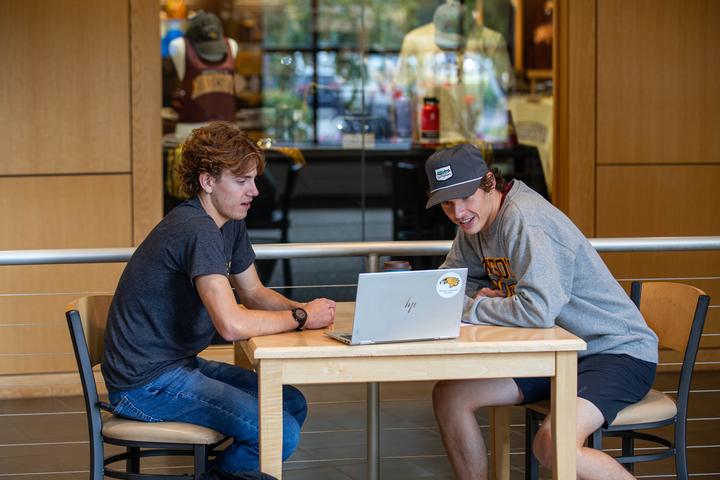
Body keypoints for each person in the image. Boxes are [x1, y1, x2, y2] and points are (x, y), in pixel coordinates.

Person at [102, 121, 336, 476]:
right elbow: (230, 325)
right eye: (241, 181)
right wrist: (302, 319)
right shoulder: (197, 229)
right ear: (207, 181)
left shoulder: (229, 222)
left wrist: (304, 309)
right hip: (144, 386)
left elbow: (253, 292)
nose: (254, 191)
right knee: (280, 432)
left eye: (254, 179)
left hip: (177, 366)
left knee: (290, 402)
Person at [424, 144, 658, 480]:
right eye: (447, 202)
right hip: (554, 352)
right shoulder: (472, 227)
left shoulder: (525, 220)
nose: (459, 212)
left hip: (613, 351)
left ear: (489, 182)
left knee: (551, 443)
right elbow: (447, 288)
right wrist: (489, 300)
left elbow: (537, 311)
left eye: (465, 196)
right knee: (450, 395)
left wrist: (477, 306)